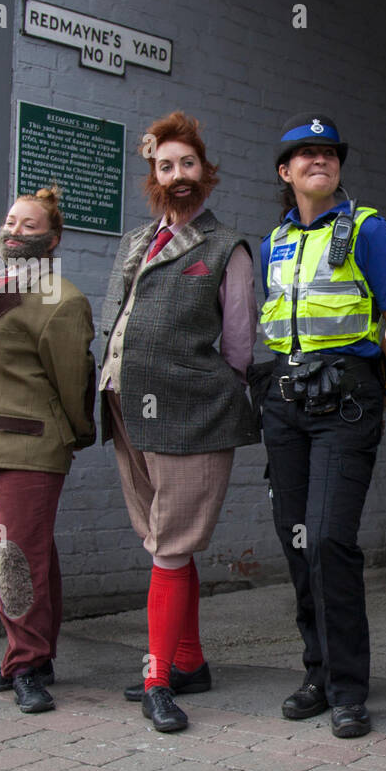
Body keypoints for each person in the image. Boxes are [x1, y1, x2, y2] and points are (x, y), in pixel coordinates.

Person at [100, 112, 260, 733]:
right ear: (154, 176)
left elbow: (241, 347)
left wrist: (203, 390)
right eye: (165, 167)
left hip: (191, 413)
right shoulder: (136, 241)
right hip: (124, 405)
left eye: (187, 164)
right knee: (165, 543)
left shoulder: (227, 248)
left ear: (205, 170)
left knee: (169, 547)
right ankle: (188, 660)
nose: (177, 175)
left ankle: (157, 678)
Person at [260, 114, 386, 740]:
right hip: (284, 402)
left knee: (327, 540)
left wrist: (384, 385)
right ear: (285, 172)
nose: (319, 160)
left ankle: (349, 687)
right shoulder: (276, 241)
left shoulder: (368, 230)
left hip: (346, 403)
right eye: (305, 153)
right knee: (297, 542)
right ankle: (317, 672)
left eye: (329, 153)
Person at [0, 185, 95, 714]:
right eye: (11, 222)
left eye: (29, 226)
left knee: (16, 556)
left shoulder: (63, 300)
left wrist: (75, 434)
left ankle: (27, 665)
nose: (14, 231)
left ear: (52, 239)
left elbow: (73, 381)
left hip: (31, 445)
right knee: (31, 553)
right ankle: (37, 653)